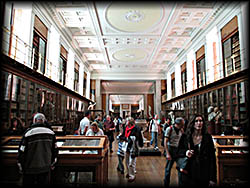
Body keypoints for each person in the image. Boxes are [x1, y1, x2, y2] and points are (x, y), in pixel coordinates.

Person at [17, 113, 58, 186]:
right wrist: (52, 163)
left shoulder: (28, 133)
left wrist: (21, 165)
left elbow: (22, 151)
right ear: (44, 121)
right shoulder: (51, 133)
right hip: (45, 168)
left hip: (30, 168)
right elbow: (55, 150)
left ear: (34, 121)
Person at [181, 114, 217, 187]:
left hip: (204, 172)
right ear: (192, 123)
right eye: (196, 121)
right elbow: (178, 151)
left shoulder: (207, 137)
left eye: (200, 121)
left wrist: (213, 178)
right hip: (189, 172)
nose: (199, 123)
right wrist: (186, 152)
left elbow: (212, 158)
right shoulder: (186, 137)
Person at [120, 117, 143, 182]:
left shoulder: (136, 129)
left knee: (131, 162)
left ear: (130, 122)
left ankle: (132, 175)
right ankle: (128, 173)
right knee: (126, 161)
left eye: (127, 121)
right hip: (126, 146)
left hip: (133, 147)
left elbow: (139, 137)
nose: (125, 122)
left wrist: (140, 144)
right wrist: (124, 138)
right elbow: (123, 135)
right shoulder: (126, 128)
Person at [164, 117, 185, 187]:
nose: (183, 126)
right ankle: (166, 184)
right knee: (168, 169)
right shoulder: (169, 129)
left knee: (180, 168)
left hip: (178, 150)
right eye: (182, 124)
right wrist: (167, 153)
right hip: (170, 149)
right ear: (178, 124)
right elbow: (165, 142)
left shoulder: (181, 130)